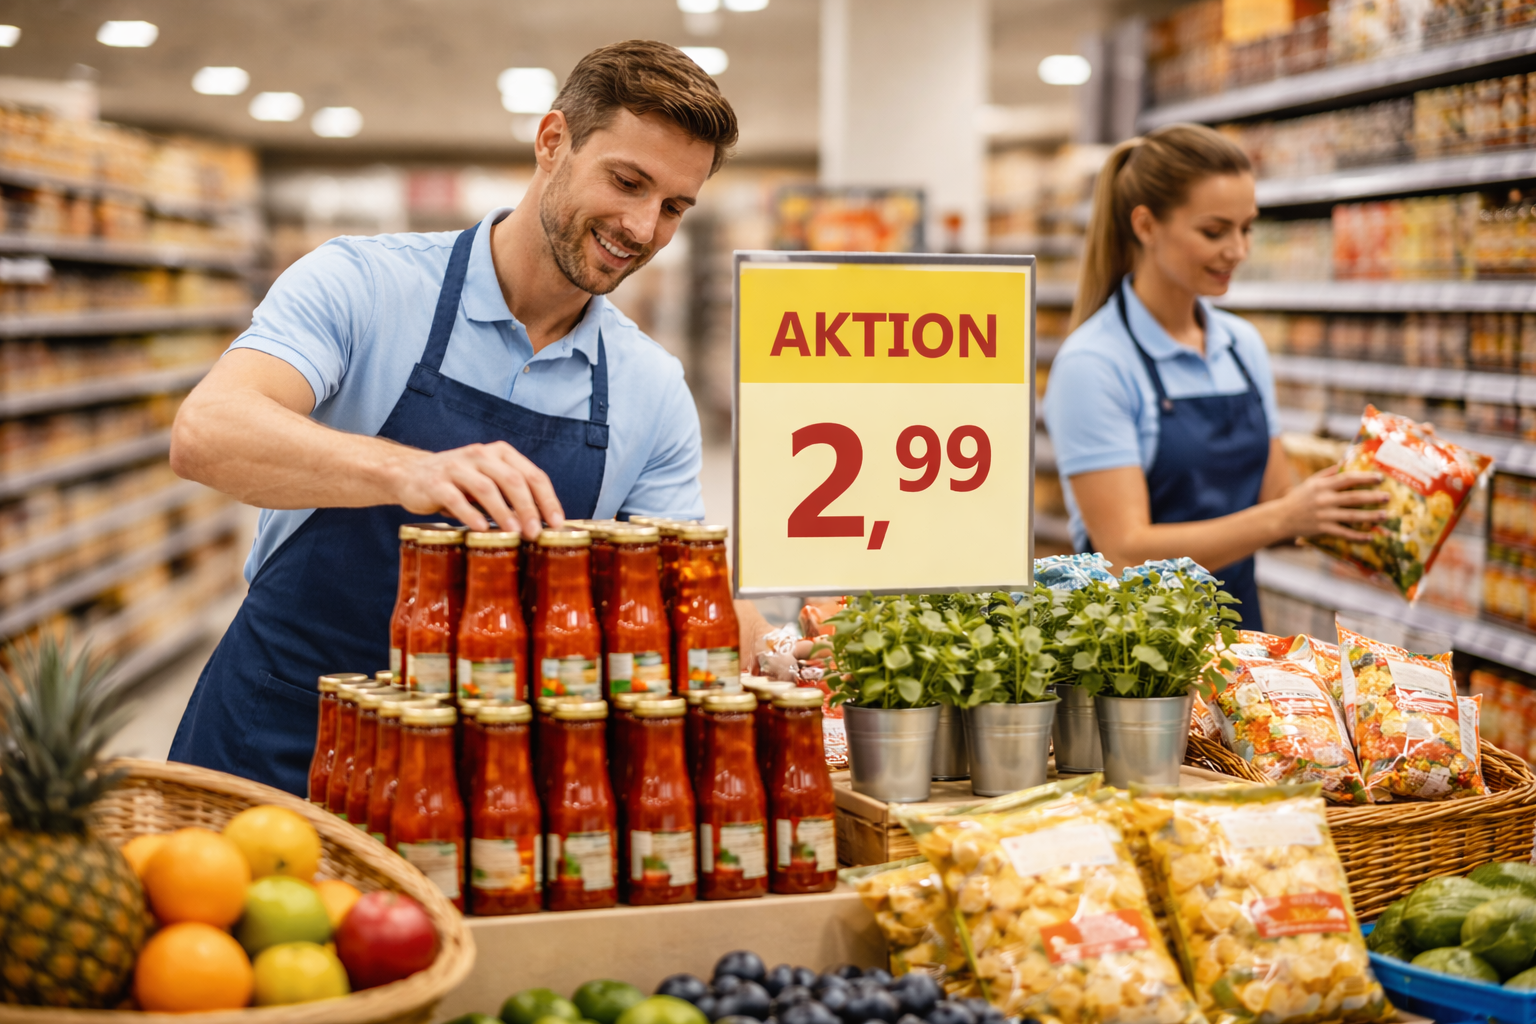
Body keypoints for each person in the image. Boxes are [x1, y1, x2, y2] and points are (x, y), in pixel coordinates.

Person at [167, 41, 750, 796]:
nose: (642, 228)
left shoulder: (652, 390)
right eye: (627, 181)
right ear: (552, 143)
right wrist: (409, 468)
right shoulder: (363, 283)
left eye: (673, 207)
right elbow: (206, 432)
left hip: (488, 785)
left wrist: (779, 644)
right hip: (281, 736)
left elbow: (673, 596)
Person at [1040, 123, 1388, 630]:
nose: (1238, 250)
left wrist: (1377, 484)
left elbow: (1276, 506)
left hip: (1242, 647)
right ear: (1145, 225)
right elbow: (1123, 551)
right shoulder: (1094, 363)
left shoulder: (1240, 346)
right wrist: (1285, 516)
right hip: (1133, 663)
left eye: (1246, 228)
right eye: (1214, 231)